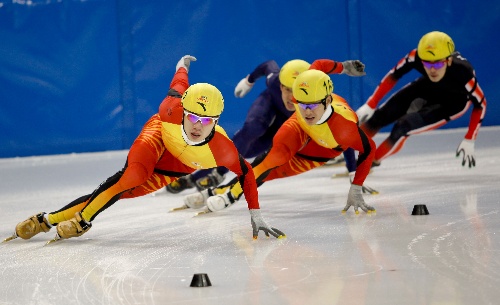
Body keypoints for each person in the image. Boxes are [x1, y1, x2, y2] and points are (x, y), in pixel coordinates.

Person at [4, 55, 285, 243]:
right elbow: (179, 83)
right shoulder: (171, 109)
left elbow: (247, 173)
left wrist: (255, 214)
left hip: (175, 166)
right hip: (158, 135)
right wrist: (182, 64)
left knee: (118, 192)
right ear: (183, 111)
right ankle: (83, 221)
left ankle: (46, 219)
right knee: (133, 176)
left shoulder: (222, 149)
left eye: (206, 121)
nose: (198, 125)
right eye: (193, 117)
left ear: (217, 122)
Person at [183, 67, 377, 215]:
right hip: (300, 129)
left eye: (312, 106)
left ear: (327, 102)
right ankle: (227, 194)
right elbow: (320, 65)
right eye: (300, 103)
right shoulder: (301, 110)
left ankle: (222, 191)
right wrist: (341, 66)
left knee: (272, 172)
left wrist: (356, 183)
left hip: (320, 151)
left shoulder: (343, 127)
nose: (306, 111)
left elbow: (366, 148)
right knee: (267, 161)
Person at [355, 31, 487, 168]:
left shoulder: (463, 72)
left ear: (448, 60)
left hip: (453, 103)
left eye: (437, 65)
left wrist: (470, 138)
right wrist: (371, 103)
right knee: (380, 115)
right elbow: (393, 75)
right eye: (427, 64)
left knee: (403, 127)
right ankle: (344, 149)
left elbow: (481, 104)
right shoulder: (415, 56)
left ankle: (370, 161)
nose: (432, 70)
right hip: (428, 87)